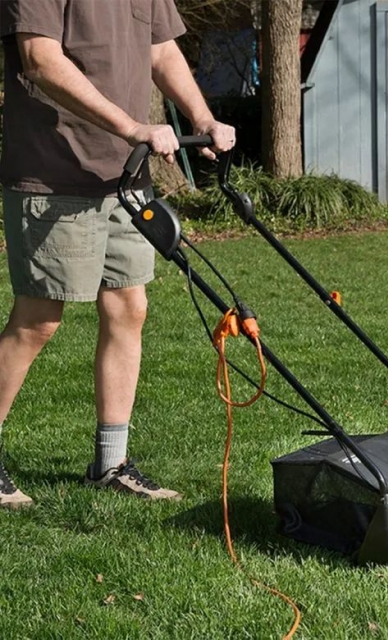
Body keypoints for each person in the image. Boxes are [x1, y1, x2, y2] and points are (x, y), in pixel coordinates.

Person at [0, 0, 235, 509]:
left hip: (126, 177)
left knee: (129, 308)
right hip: (55, 171)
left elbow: (162, 50)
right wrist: (131, 127)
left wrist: (202, 116)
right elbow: (40, 59)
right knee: (38, 319)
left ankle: (111, 465)